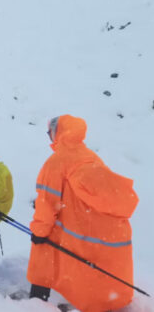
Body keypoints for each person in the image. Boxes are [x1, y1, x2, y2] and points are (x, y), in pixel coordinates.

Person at [27, 115, 138, 311]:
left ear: (56, 133)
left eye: (49, 133)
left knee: (43, 256)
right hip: (95, 229)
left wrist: (39, 232)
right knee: (90, 269)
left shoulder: (56, 162)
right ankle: (108, 302)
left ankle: (37, 302)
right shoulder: (91, 156)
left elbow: (46, 204)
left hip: (71, 228)